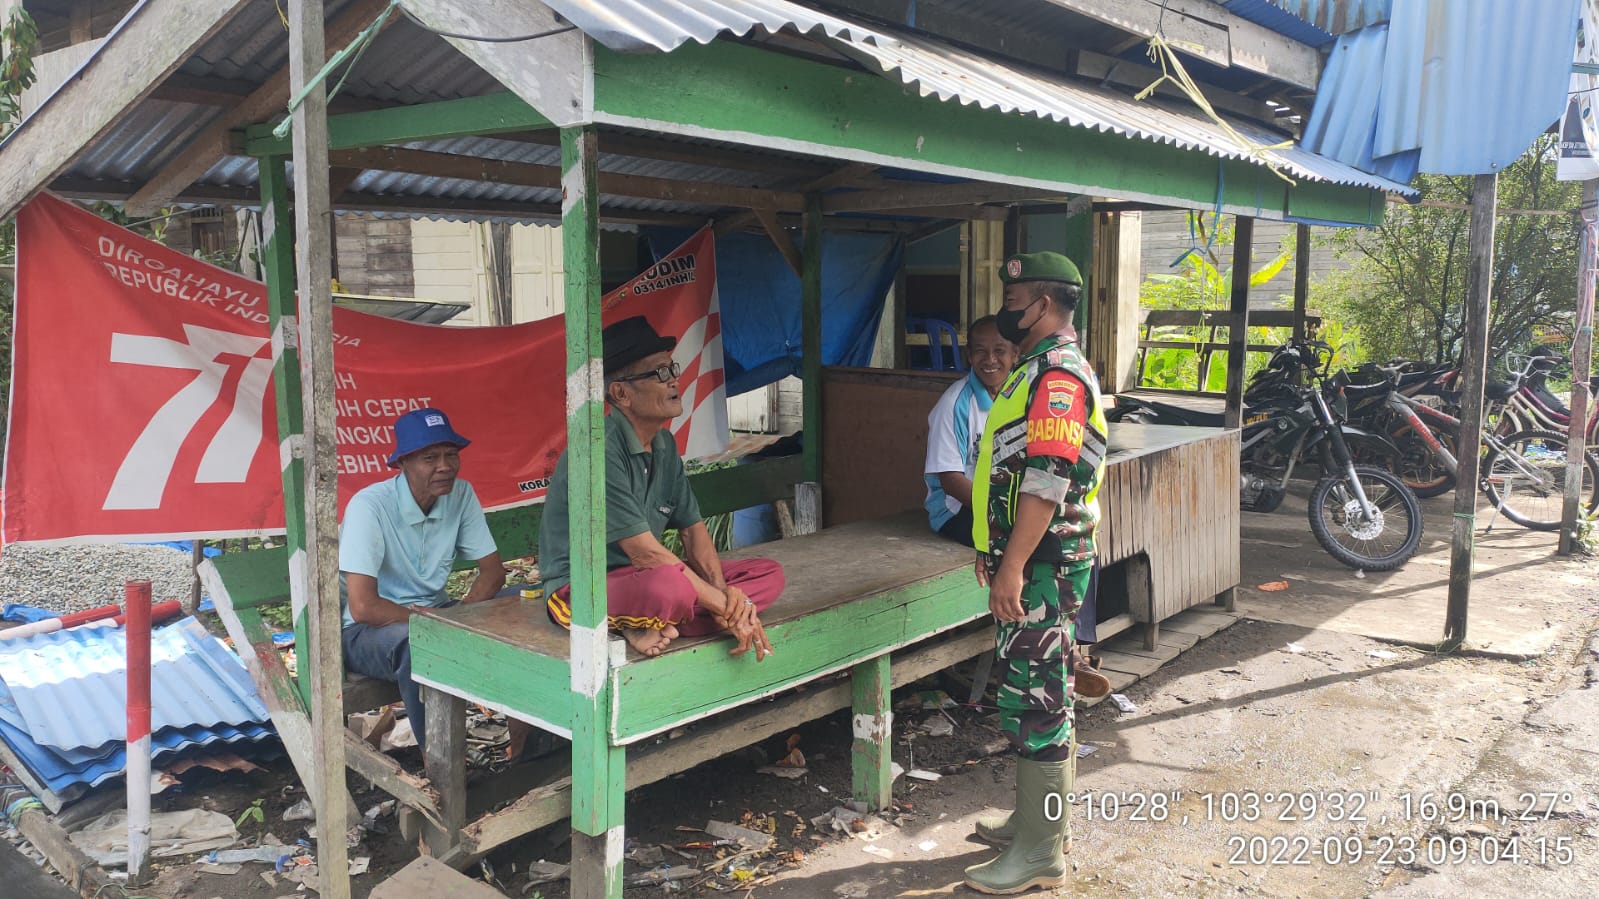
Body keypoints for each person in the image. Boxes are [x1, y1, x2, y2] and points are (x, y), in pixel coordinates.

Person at [965, 252, 1109, 894]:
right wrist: (993, 546)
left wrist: (1014, 564)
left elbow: (1048, 481)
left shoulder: (1057, 378)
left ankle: (1041, 850)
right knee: (1042, 691)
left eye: (1015, 296)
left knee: (1037, 702)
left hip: (1044, 565)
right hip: (1034, 560)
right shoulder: (1036, 371)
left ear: (1043, 306)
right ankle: (1035, 823)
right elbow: (1010, 472)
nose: (1007, 308)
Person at [539, 316, 784, 660]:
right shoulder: (599, 450)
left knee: (767, 574)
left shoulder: (664, 444)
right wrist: (728, 607)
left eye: (673, 370)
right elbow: (646, 553)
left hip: (642, 579)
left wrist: (722, 595)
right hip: (582, 587)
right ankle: (661, 615)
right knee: (670, 588)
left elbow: (693, 532)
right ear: (621, 393)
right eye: (660, 373)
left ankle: (646, 622)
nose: (675, 382)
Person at [340, 408, 507, 753]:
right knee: (420, 646)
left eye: (451, 455)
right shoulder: (370, 506)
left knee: (528, 607)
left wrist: (459, 619)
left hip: (437, 614)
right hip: (366, 633)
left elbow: (493, 572)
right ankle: (442, 768)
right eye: (429, 458)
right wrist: (441, 624)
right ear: (403, 463)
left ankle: (532, 750)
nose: (444, 466)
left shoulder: (460, 494)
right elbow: (363, 607)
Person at [923, 315, 1016, 547]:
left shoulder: (1020, 395)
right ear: (969, 355)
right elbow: (951, 481)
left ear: (1015, 353)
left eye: (999, 350)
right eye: (980, 351)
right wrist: (1000, 513)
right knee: (1016, 544)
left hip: (1005, 505)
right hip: (957, 510)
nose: (990, 360)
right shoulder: (954, 405)